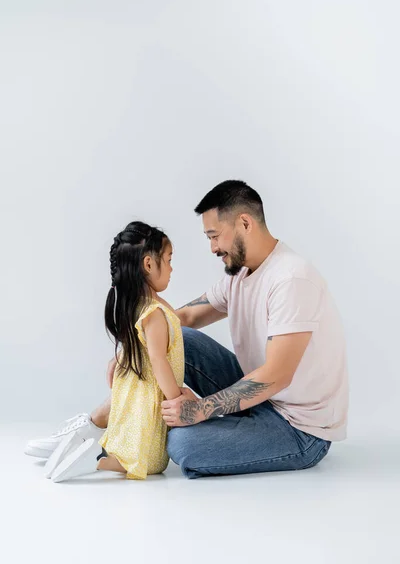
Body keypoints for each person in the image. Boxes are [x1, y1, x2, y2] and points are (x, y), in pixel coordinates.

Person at [26, 180, 348, 480]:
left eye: (214, 235)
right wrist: (132, 349)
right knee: (180, 339)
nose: (212, 248)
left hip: (298, 428)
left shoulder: (291, 279)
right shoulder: (241, 274)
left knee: (182, 446)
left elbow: (277, 375)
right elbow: (186, 317)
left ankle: (121, 447)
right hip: (262, 398)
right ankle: (93, 427)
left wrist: (200, 409)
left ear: (244, 224)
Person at [40, 221, 185, 482]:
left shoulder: (139, 306)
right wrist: (176, 397)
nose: (172, 268)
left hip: (134, 392)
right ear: (149, 264)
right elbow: (157, 358)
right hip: (148, 398)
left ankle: (76, 448)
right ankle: (96, 460)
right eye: (169, 259)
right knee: (151, 461)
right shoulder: (154, 312)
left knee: (131, 450)